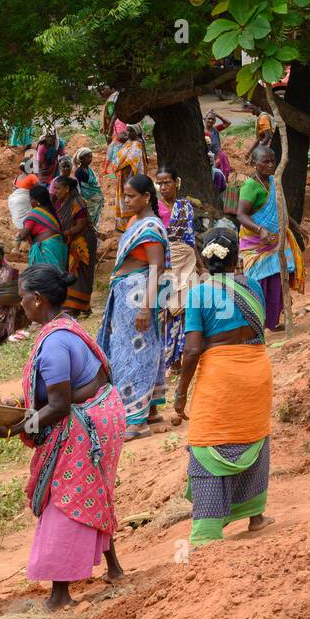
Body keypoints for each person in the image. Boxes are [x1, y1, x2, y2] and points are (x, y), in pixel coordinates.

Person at [0, 264, 126, 610]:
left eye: (24, 297)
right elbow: (96, 378)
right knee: (95, 489)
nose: (21, 304)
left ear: (38, 299)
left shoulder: (55, 342)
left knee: (65, 498)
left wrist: (13, 428)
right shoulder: (67, 327)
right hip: (102, 414)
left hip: (85, 424)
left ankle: (60, 594)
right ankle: (114, 568)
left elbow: (57, 406)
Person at [174, 226, 275, 541]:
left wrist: (179, 394)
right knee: (252, 436)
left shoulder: (199, 293)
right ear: (236, 258)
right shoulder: (255, 286)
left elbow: (191, 350)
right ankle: (255, 516)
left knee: (208, 444)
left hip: (221, 377)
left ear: (204, 261)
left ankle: (207, 530)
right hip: (257, 372)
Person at [96, 174, 168, 440]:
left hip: (138, 296)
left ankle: (136, 422)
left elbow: (157, 268)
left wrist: (145, 308)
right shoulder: (134, 222)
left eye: (131, 196)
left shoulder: (151, 227)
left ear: (146, 197)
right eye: (125, 195)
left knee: (135, 354)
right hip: (125, 293)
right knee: (126, 350)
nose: (126, 200)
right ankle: (148, 410)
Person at [237, 146, 304, 331]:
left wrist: (296, 227)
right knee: (258, 284)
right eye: (265, 161)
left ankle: (272, 322)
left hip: (276, 242)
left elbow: (280, 210)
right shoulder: (250, 187)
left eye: (272, 161)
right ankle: (256, 324)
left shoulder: (275, 182)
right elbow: (241, 215)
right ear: (254, 163)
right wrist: (260, 230)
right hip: (256, 245)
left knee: (276, 283)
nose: (270, 165)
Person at [156, 167, 199, 370]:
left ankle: (184, 353)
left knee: (187, 306)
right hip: (166, 261)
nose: (163, 187)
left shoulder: (186, 206)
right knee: (168, 309)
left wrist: (201, 264)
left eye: (167, 182)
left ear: (176, 183)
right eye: (160, 183)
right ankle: (171, 359)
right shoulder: (154, 208)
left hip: (187, 260)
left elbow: (191, 238)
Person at [53, 175, 96, 317]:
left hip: (82, 241)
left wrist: (66, 233)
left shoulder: (78, 202)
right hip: (71, 240)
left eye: (58, 188)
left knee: (79, 272)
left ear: (67, 188)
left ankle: (75, 305)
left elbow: (81, 224)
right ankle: (78, 306)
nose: (55, 191)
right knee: (71, 271)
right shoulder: (61, 202)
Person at [19, 184, 68, 271]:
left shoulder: (35, 213)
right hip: (57, 247)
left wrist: (21, 232)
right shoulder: (51, 211)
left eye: (30, 199)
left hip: (47, 248)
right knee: (56, 278)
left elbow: (23, 236)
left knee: (44, 279)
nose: (30, 201)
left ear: (35, 200)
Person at [108, 124, 147, 232]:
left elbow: (131, 165)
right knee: (125, 201)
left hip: (130, 179)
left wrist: (127, 182)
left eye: (131, 131)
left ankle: (129, 226)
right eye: (127, 130)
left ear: (137, 132)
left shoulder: (137, 144)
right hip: (123, 177)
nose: (128, 133)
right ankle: (123, 226)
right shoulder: (130, 142)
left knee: (130, 201)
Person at [74, 147, 104, 229]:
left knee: (94, 216)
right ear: (81, 158)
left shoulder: (88, 169)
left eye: (91, 157)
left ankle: (94, 229)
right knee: (89, 216)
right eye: (88, 157)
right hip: (87, 198)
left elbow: (94, 183)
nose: (90, 159)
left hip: (94, 198)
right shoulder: (79, 172)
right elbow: (79, 187)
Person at [204, 109, 233, 180]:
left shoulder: (215, 129)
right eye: (209, 118)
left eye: (213, 119)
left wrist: (216, 114)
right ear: (205, 119)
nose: (210, 120)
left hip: (219, 156)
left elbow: (228, 123)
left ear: (215, 121)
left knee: (223, 177)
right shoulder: (202, 132)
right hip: (210, 158)